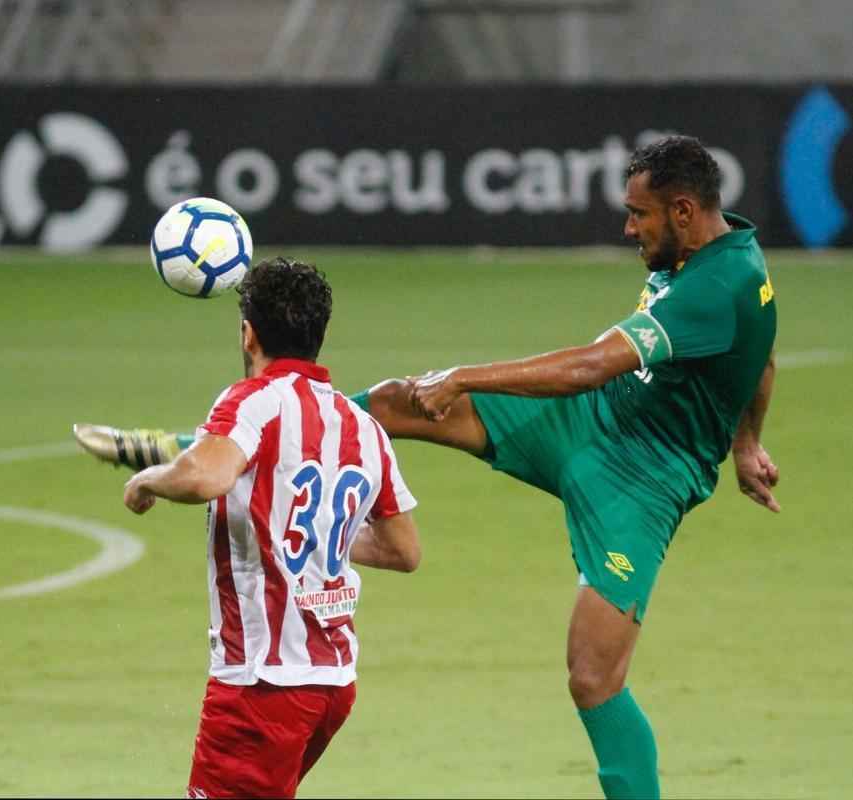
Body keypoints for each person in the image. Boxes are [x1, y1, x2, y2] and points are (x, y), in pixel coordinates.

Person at [76, 136, 779, 799]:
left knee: (592, 675)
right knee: (393, 401)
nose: (629, 230)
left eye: (638, 215)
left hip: (642, 478)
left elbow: (590, 364)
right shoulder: (717, 260)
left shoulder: (721, 286)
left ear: (682, 212)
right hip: (598, 418)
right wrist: (747, 442)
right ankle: (211, 444)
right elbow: (761, 355)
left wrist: (466, 376)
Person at [102, 257, 420, 798]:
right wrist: (320, 535)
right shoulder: (361, 425)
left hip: (262, 685)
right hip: (332, 683)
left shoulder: (253, 401)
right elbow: (403, 548)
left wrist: (148, 481)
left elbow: (205, 476)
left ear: (248, 334)